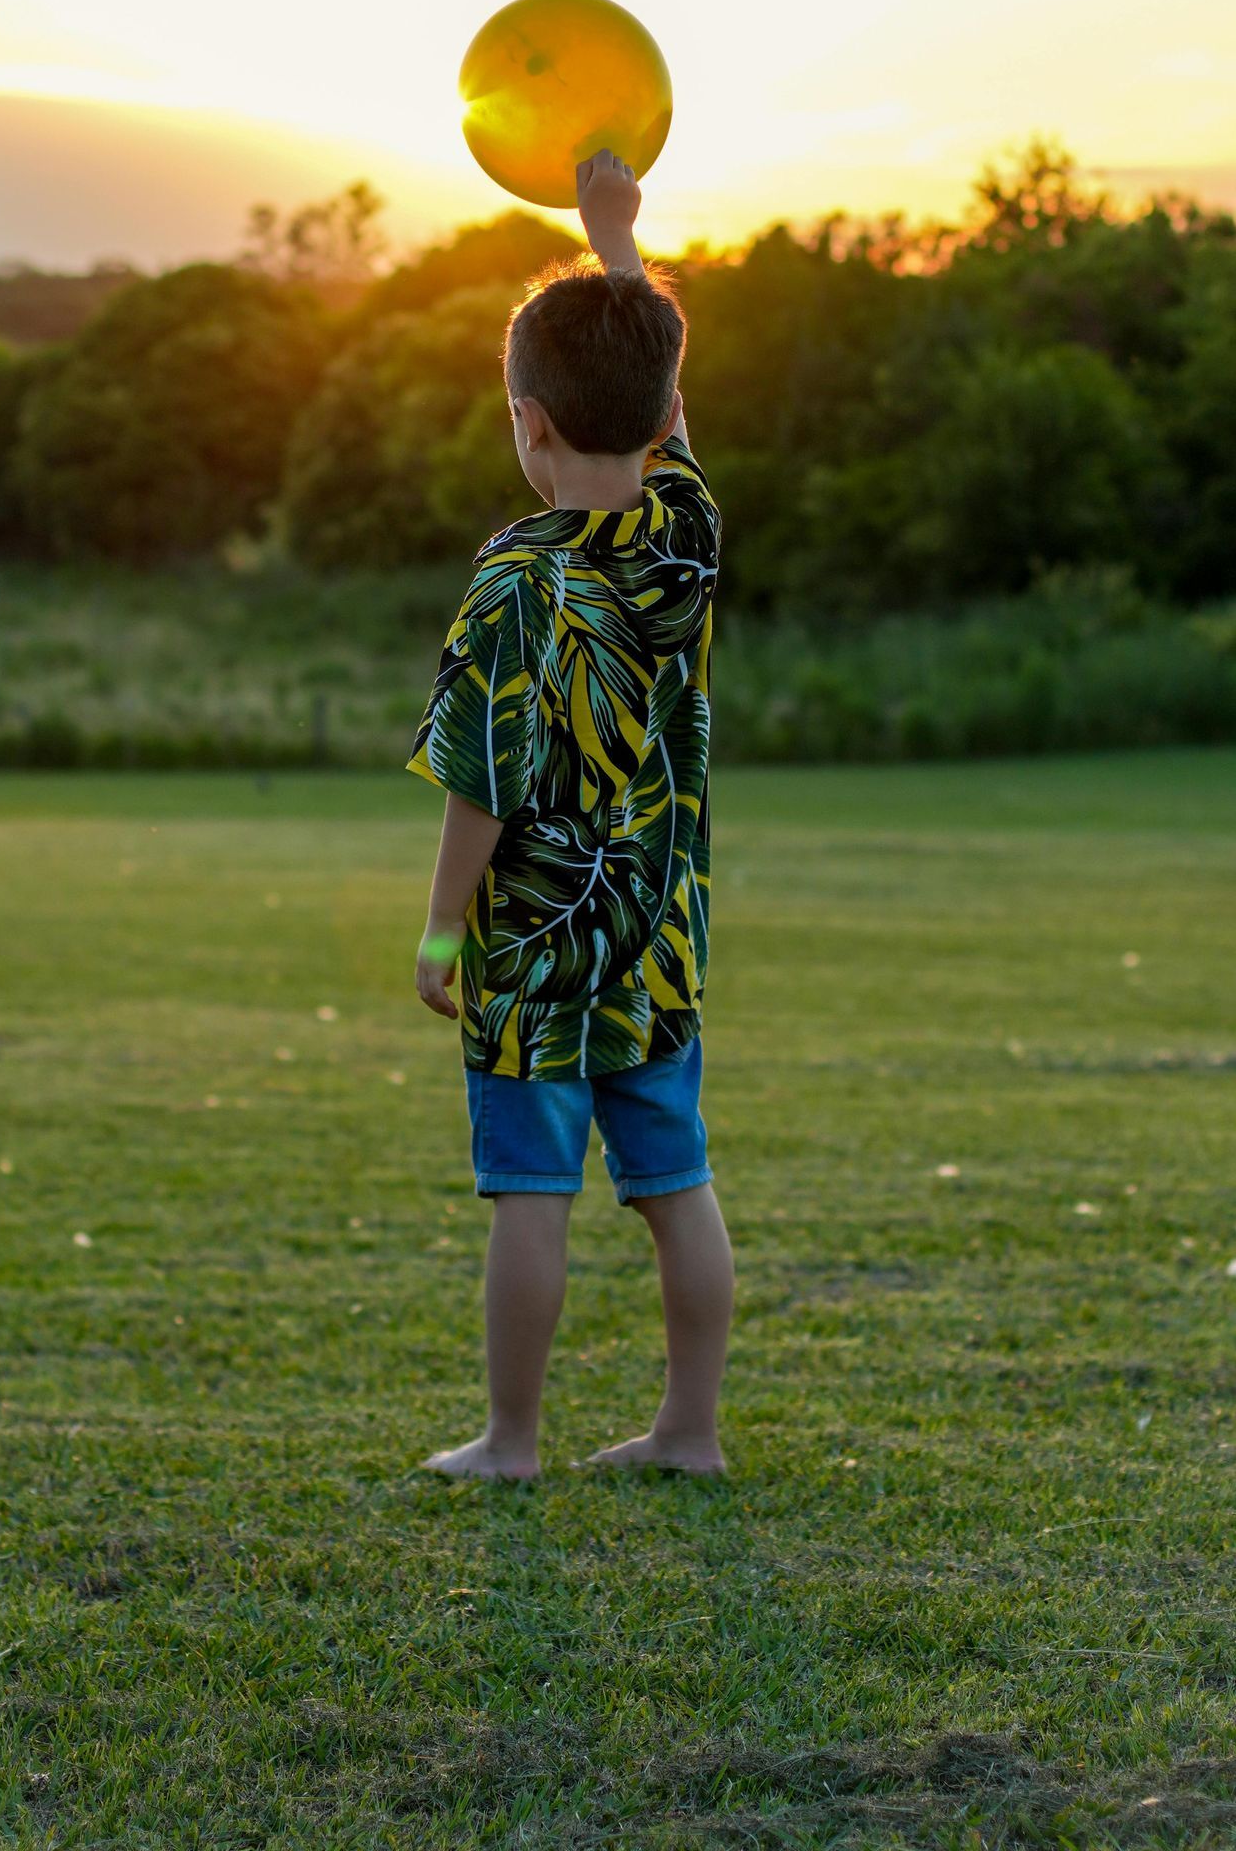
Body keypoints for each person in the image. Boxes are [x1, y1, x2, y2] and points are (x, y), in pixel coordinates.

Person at [408, 147, 731, 1479]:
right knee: (677, 1191)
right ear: (661, 424)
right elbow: (671, 413)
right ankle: (688, 1432)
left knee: (530, 1194)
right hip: (656, 934)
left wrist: (439, 932)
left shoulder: (512, 584)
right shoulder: (687, 534)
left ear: (529, 425)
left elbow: (483, 776)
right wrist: (615, 246)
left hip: (539, 947)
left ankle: (513, 1439)